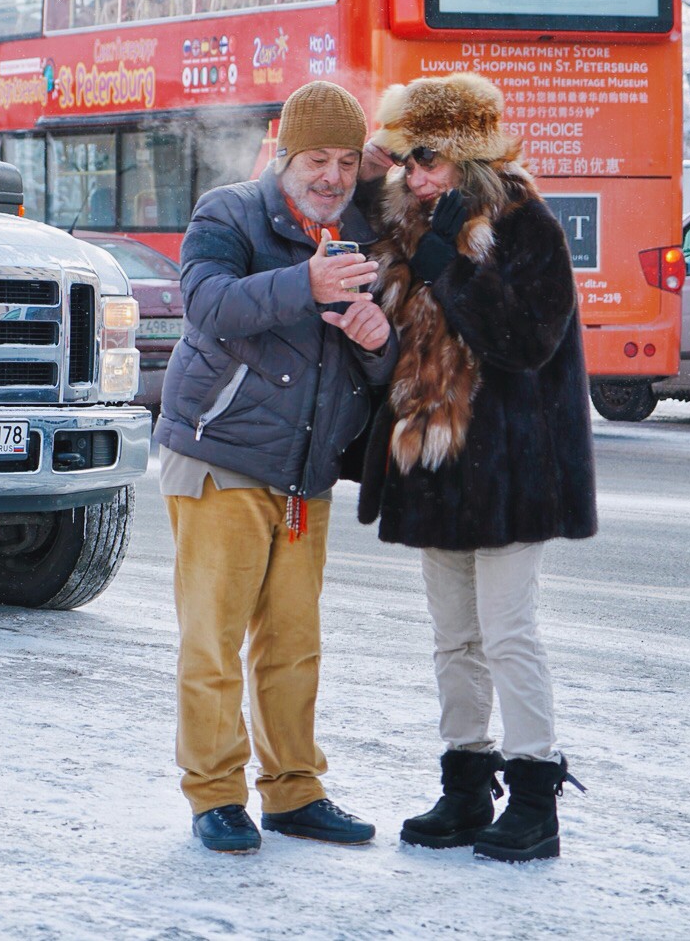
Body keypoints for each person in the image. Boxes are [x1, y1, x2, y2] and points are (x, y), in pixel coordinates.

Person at [153, 80, 396, 855]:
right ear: (284, 156)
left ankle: (294, 792)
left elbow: (388, 369)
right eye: (317, 159)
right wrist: (306, 284)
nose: (332, 176)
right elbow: (208, 306)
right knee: (214, 641)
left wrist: (377, 340)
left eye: (347, 162)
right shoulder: (229, 213)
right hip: (220, 459)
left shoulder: (361, 234)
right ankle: (216, 795)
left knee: (294, 644)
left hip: (304, 474)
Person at [358, 72, 595, 863]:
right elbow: (331, 182)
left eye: (426, 158)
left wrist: (445, 266)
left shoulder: (528, 227)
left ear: (468, 155)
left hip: (511, 467)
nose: (412, 174)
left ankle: (534, 796)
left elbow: (526, 343)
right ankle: (465, 787)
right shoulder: (406, 217)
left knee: (508, 632)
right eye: (406, 158)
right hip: (434, 464)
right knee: (453, 637)